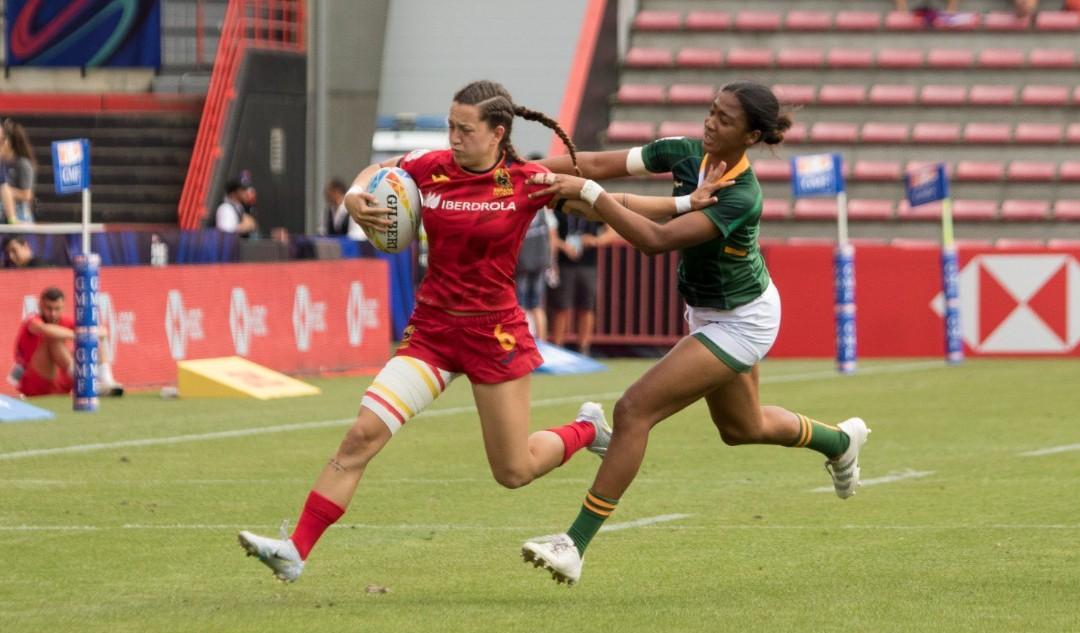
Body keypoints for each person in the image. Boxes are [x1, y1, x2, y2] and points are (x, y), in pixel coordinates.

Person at [236, 79, 726, 584]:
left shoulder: (527, 180)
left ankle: (587, 431)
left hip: (495, 337)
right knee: (361, 436)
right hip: (431, 334)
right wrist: (359, 196)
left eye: (463, 129)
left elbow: (607, 199)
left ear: (497, 133)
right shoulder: (430, 169)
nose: (452, 137)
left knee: (513, 472)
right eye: (450, 126)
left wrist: (686, 204)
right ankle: (295, 550)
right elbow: (379, 171)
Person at [518, 81, 870, 586]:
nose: (710, 123)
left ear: (750, 135)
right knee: (740, 429)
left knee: (634, 410)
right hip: (707, 311)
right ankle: (839, 441)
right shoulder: (682, 153)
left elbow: (656, 241)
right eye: (711, 112)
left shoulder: (742, 196)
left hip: (742, 320)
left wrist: (592, 198)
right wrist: (513, 175)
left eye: (724, 120)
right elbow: (591, 164)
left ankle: (574, 544)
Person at [10, 286, 123, 398]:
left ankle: (107, 381)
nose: (53, 313)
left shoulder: (65, 320)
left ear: (63, 306)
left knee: (93, 335)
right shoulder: (32, 320)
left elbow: (101, 330)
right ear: (40, 306)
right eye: (49, 308)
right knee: (53, 338)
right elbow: (45, 329)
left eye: (57, 309)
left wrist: (94, 332)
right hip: (34, 382)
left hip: (62, 380)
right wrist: (81, 335)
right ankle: (86, 384)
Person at [548, 212, 620, 356]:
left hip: (588, 265)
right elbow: (550, 235)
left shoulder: (592, 209)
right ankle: (557, 347)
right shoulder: (559, 209)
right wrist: (563, 246)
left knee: (587, 306)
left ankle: (584, 347)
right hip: (564, 264)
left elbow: (613, 233)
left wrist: (595, 240)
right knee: (561, 306)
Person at [515, 169, 557, 341]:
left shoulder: (516, 205)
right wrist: (551, 262)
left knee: (521, 304)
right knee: (537, 304)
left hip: (522, 262)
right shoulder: (543, 206)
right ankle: (543, 343)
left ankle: (522, 341)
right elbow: (552, 234)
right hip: (540, 261)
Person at [4, 120, 37, 223]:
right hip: (2, 215)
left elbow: (26, 194)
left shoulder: (22, 164)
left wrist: (3, 190)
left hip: (20, 216)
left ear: (9, 143)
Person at [214, 171, 258, 237]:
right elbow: (225, 236)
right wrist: (246, 226)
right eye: (243, 189)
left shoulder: (240, 208)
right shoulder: (226, 208)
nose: (247, 192)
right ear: (233, 192)